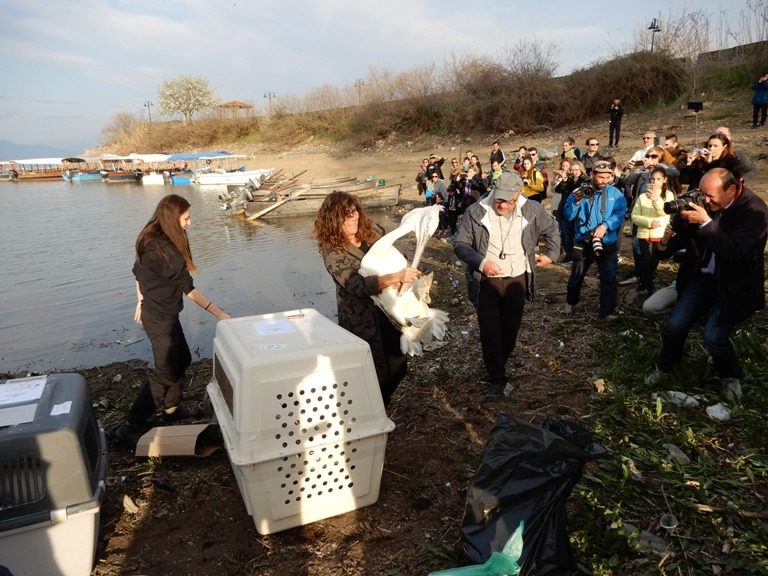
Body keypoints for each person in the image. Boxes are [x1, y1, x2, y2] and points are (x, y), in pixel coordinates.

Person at [116, 194, 230, 448]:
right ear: (172, 217)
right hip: (159, 319)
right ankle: (131, 426)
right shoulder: (165, 250)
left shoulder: (151, 235)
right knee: (165, 372)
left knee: (184, 359)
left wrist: (140, 299)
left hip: (161, 312)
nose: (189, 223)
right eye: (186, 218)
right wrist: (220, 314)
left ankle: (172, 409)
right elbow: (189, 290)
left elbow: (138, 273)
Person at [645, 168, 768, 402]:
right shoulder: (703, 202)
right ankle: (665, 366)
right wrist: (677, 225)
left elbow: (733, 252)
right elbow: (677, 242)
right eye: (702, 193)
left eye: (710, 196)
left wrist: (706, 223)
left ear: (731, 190)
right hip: (702, 278)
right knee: (675, 325)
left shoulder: (755, 211)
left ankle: (730, 376)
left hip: (734, 285)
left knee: (714, 335)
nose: (705, 200)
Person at [454, 172, 560, 401]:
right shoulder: (476, 212)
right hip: (486, 281)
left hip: (516, 278)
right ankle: (497, 379)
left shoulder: (532, 210)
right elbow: (460, 244)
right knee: (490, 330)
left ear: (518, 195)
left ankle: (498, 361)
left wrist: (551, 254)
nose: (501, 204)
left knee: (510, 330)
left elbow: (552, 228)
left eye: (507, 201)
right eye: (498, 199)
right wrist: (482, 263)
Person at [314, 191, 421, 406]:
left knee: (399, 363)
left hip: (389, 309)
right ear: (333, 219)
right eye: (346, 214)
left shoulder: (372, 233)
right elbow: (357, 286)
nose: (353, 217)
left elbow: (397, 255)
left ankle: (380, 403)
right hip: (362, 319)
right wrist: (394, 277)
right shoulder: (332, 252)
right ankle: (375, 411)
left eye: (354, 211)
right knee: (373, 370)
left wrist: (405, 271)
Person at [562, 160, 628, 319]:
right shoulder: (580, 191)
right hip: (583, 241)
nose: (604, 181)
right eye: (600, 177)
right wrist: (576, 201)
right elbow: (568, 215)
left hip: (606, 242)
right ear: (592, 175)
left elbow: (620, 213)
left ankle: (607, 311)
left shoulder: (615, 194)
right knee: (577, 275)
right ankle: (571, 302)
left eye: (608, 177)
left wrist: (606, 225)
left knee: (609, 278)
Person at [630, 166, 674, 297]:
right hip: (644, 234)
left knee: (652, 262)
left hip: (659, 234)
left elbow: (664, 211)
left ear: (664, 180)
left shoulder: (668, 195)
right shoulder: (643, 196)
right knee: (645, 261)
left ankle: (647, 285)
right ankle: (648, 287)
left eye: (658, 179)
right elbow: (634, 216)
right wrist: (648, 222)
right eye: (653, 179)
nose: (655, 182)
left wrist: (656, 200)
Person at [678, 132, 744, 190]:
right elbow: (684, 180)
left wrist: (709, 164)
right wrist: (689, 164)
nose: (711, 148)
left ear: (724, 147)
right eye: (710, 146)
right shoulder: (700, 161)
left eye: (715, 146)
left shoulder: (731, 163)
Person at [553, 160, 588, 263]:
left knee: (577, 235)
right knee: (566, 234)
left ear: (581, 170)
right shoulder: (568, 179)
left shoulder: (585, 181)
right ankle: (569, 255)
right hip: (564, 210)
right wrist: (564, 180)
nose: (574, 172)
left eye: (576, 170)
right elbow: (558, 190)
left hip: (578, 211)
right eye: (572, 170)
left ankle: (579, 256)